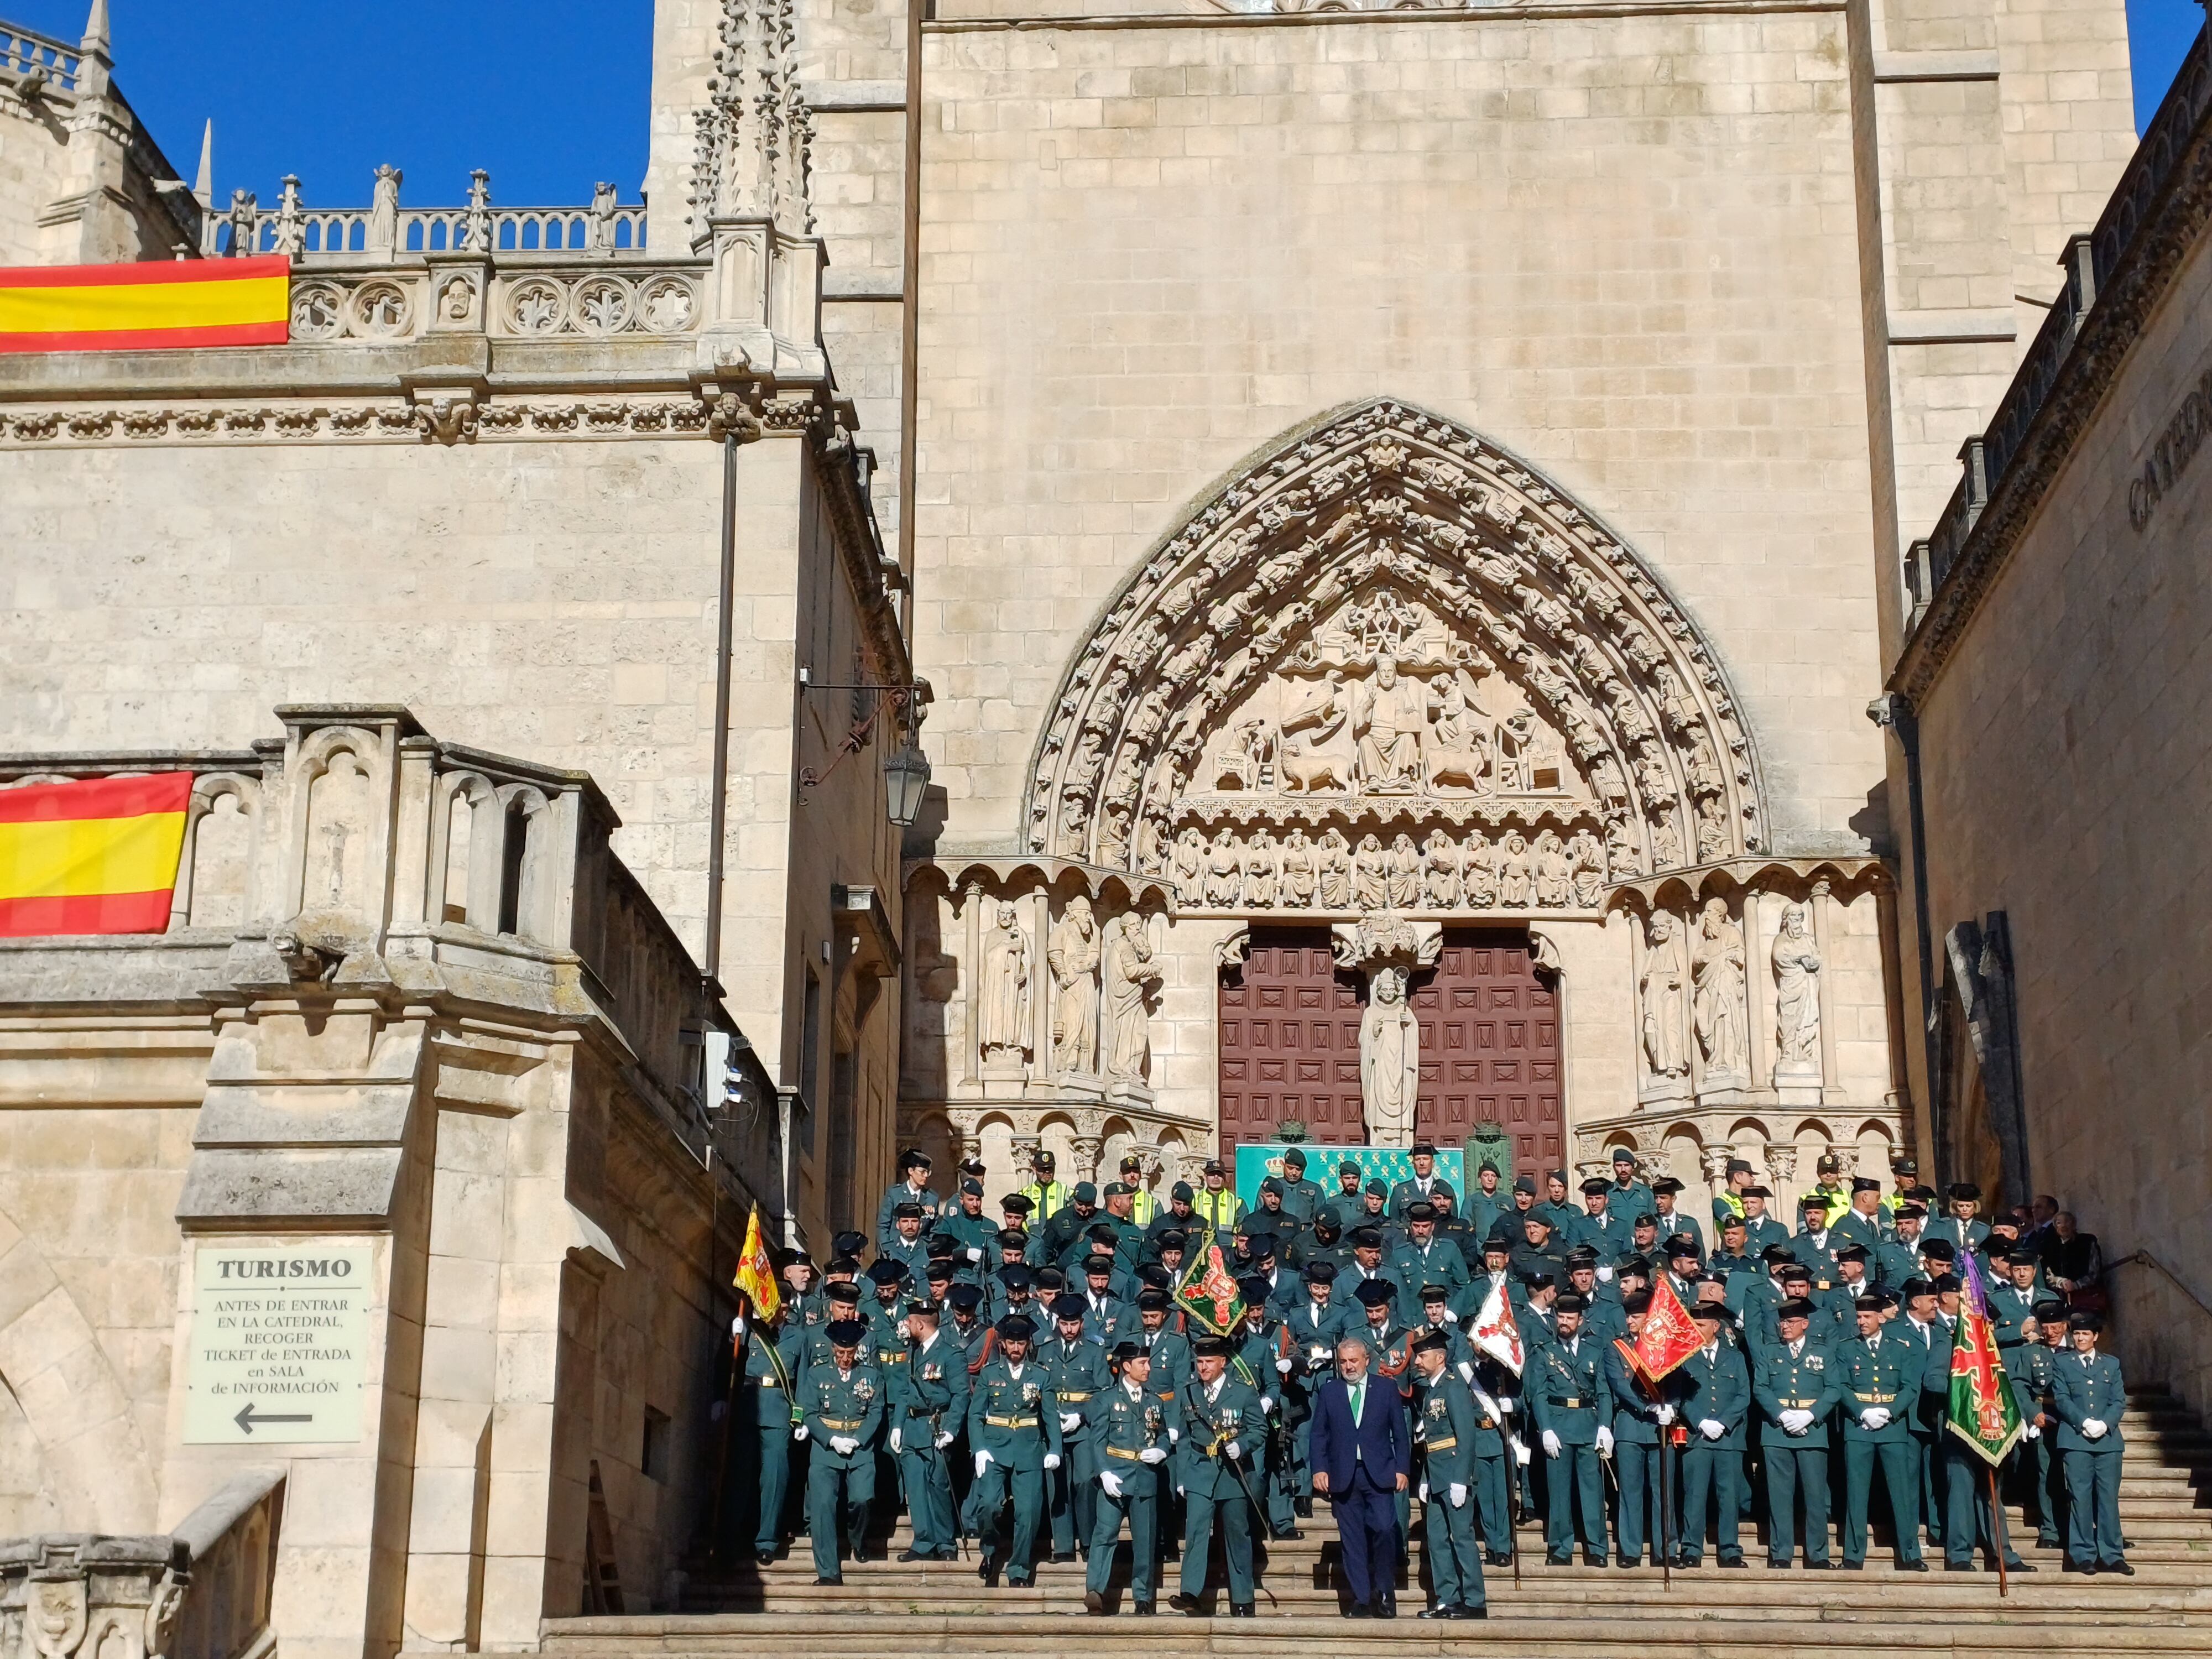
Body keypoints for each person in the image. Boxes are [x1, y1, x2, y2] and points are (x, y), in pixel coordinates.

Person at [1310, 1333, 1410, 1618]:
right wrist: (1319, 1469)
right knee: (1352, 1540)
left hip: (1379, 1474)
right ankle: (1362, 1598)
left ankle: (1385, 1591)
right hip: (1344, 1476)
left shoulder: (1386, 1389)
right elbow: (1318, 1434)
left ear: (1366, 1360)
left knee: (1385, 1529)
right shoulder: (1330, 1392)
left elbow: (1400, 1434)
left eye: (1354, 1361)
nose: (1349, 1366)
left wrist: (1402, 1469)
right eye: (1343, 1362)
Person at [1170, 1335, 1267, 1618]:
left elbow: (1260, 1430)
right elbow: (1184, 1439)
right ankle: (1190, 1593)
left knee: (1237, 1533)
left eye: (1209, 1362)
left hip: (1232, 1474)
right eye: (1200, 1362)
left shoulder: (1243, 1392)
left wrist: (1243, 1445)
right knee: (1196, 1532)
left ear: (1223, 1362)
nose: (1203, 1368)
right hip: (1200, 1470)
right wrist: (1182, 1478)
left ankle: (1243, 1598)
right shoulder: (1189, 1392)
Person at [1083, 1340, 1177, 1614]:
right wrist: (1104, 1472)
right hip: (1115, 1475)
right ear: (1127, 1366)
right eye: (1142, 1363)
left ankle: (1143, 1597)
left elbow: (1162, 1434)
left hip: (1144, 1477)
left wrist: (1162, 1450)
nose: (1148, 1368)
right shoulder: (1106, 1400)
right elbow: (1097, 1440)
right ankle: (1095, 1591)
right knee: (1105, 1534)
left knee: (1145, 1540)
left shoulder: (1154, 1401)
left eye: (1148, 1363)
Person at [1837, 1292, 1929, 1571]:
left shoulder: (1900, 1349)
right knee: (1856, 1493)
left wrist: (1891, 1411)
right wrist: (1862, 1411)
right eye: (1859, 1317)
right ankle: (1853, 1555)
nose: (1862, 1322)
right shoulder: (1846, 1348)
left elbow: (1910, 1387)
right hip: (1859, 1426)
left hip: (1893, 1427)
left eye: (1867, 1317)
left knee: (1902, 1493)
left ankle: (1910, 1554)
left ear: (1880, 1318)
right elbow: (1841, 1385)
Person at [969, 1313, 1062, 1587]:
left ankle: (1019, 1568)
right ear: (1003, 1344)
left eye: (1021, 1343)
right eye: (1011, 1343)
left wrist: (1055, 1448)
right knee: (988, 1504)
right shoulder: (989, 1374)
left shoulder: (1041, 1375)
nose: (1016, 1348)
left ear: (1028, 1344)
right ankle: (989, 1550)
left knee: (1028, 1512)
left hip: (1028, 1448)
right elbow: (975, 1415)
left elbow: (1050, 1415)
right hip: (995, 1447)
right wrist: (979, 1448)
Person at [1754, 1296, 1839, 1568]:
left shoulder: (1823, 1353)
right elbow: (1760, 1388)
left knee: (1815, 1496)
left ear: (1805, 1324)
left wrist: (1810, 1415)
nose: (1785, 1327)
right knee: (1780, 1497)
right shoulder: (1769, 1352)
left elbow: (1834, 1389)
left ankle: (1818, 1554)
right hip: (1777, 1431)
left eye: (1791, 1322)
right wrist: (1781, 1415)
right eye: (1782, 1322)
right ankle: (1781, 1552)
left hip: (1812, 1430)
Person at [797, 1318, 885, 1585]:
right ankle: (828, 1572)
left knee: (862, 1499)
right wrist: (831, 1439)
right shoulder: (817, 1375)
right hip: (826, 1448)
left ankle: (857, 1539)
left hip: (860, 1448)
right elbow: (810, 1413)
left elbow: (876, 1411)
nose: (845, 1359)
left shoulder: (870, 1375)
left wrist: (858, 1439)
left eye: (850, 1353)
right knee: (823, 1507)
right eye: (840, 1353)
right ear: (833, 1349)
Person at [1408, 1328, 1486, 1620]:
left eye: (1423, 1356)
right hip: (1436, 1475)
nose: (1418, 1361)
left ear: (1440, 1358)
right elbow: (1431, 1441)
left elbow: (1465, 1435)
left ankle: (1475, 1600)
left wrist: (1461, 1479)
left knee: (1462, 1538)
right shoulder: (1431, 1390)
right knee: (1437, 1538)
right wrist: (1425, 1479)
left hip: (1454, 1474)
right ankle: (1448, 1598)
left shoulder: (1453, 1387)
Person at [1528, 1292, 1608, 1566]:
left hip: (1587, 1426)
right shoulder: (1544, 1352)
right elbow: (1538, 1394)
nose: (1564, 1322)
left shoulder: (1593, 1351)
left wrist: (1605, 1426)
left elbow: (1603, 1393)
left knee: (1592, 1491)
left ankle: (1597, 1548)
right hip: (1559, 1427)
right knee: (1559, 1492)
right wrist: (1546, 1429)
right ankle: (1560, 1548)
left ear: (1580, 1321)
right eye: (1560, 1317)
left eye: (1570, 1318)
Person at [2052, 1309, 2131, 1574]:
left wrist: (2105, 1424)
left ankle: (2112, 1554)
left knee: (2108, 1499)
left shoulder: (2111, 1364)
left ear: (2095, 1336)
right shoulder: (2062, 1363)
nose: (2081, 1339)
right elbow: (2062, 1398)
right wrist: (2084, 1422)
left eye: (2086, 1334)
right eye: (2077, 1334)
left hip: (2108, 1442)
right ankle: (2083, 1554)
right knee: (2081, 1498)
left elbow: (2118, 1400)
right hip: (2076, 1440)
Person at [1672, 1301, 1750, 1568]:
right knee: (1695, 1495)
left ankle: (1730, 1550)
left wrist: (1724, 1423)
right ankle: (1692, 1549)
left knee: (1729, 1496)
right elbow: (1681, 1397)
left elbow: (1743, 1396)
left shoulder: (1735, 1358)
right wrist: (1701, 1421)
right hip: (1698, 1437)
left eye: (1701, 1325)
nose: (1695, 1329)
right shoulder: (1685, 1358)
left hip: (1730, 1438)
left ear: (1716, 1327)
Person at [890, 1299, 967, 1561]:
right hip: (912, 1428)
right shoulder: (913, 1352)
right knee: (915, 1488)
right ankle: (923, 1541)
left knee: (938, 1486)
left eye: (910, 1322)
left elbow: (960, 1395)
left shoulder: (950, 1354)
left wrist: (951, 1429)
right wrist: (897, 1426)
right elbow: (905, 1392)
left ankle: (945, 1543)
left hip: (936, 1426)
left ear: (921, 1325)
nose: (907, 1326)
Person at [1604, 1290, 1672, 1569]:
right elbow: (1619, 1385)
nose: (1630, 1321)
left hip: (1661, 1428)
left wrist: (1672, 1406)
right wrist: (1647, 1407)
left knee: (1663, 1493)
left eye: (1635, 1316)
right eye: (1628, 1316)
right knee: (1630, 1492)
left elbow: (1678, 1380)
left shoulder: (1666, 1345)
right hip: (1631, 1426)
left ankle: (1664, 1549)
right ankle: (1630, 1550)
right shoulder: (1617, 1348)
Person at [737, 1302, 804, 1566]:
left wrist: (800, 1415)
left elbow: (803, 1379)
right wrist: (733, 1337)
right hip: (747, 1407)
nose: (776, 1312)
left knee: (775, 1478)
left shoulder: (798, 1336)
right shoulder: (747, 1330)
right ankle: (735, 1535)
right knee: (741, 1475)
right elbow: (728, 1363)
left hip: (779, 1411)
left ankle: (767, 1540)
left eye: (781, 1308)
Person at [876, 1148, 937, 1253]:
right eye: (922, 1172)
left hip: (920, 1254)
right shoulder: (895, 1194)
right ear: (911, 1171)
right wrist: (887, 1250)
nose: (926, 1176)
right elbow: (883, 1225)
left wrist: (927, 1251)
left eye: (928, 1172)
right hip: (895, 1252)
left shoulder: (932, 1198)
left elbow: (934, 1230)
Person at [1388, 1142, 1457, 1220]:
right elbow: (1394, 1223)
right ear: (1413, 1164)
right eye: (1418, 1160)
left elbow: (1453, 1220)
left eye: (1425, 1159)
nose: (1422, 1163)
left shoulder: (1445, 1190)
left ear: (1433, 1163)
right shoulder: (1399, 1191)